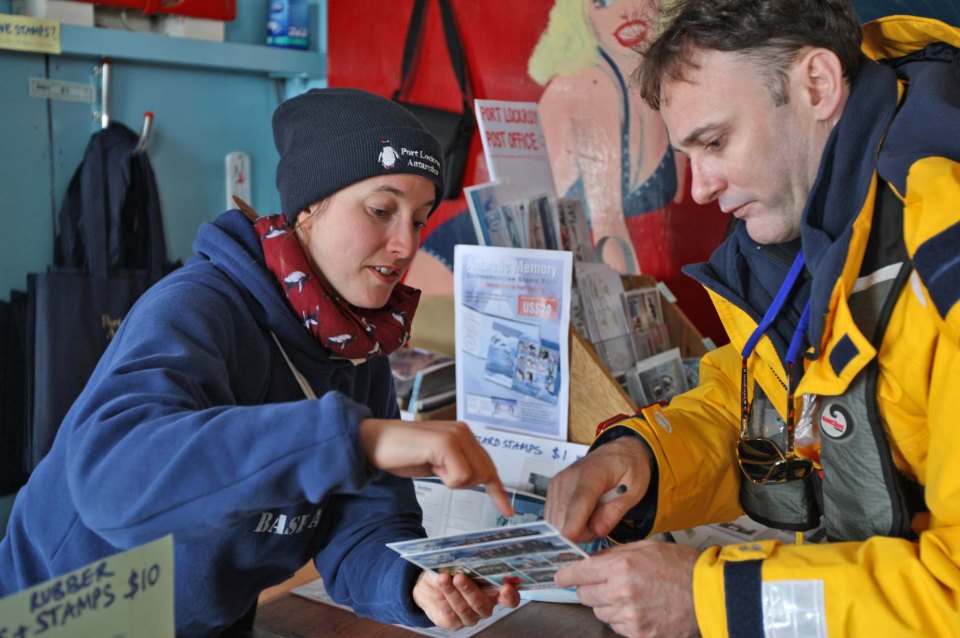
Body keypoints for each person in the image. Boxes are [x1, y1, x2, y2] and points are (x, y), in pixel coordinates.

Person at [0, 88, 520, 636]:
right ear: (308, 209)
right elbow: (113, 479)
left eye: (419, 219)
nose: (404, 245)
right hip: (61, 622)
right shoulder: (196, 307)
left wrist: (413, 581)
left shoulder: (358, 343)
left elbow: (363, 523)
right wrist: (358, 440)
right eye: (380, 210)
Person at [543, 1, 960, 636]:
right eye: (689, 153)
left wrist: (712, 600)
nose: (700, 188)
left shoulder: (944, 254)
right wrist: (643, 460)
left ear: (816, 85)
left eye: (714, 142)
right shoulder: (795, 233)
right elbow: (763, 403)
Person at [529, 0, 687, 273]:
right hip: (487, 267)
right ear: (580, 16)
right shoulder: (589, 87)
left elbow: (683, 199)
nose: (625, 10)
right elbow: (608, 232)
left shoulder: (669, 85)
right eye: (602, 2)